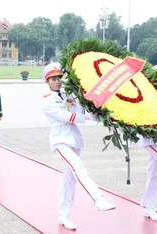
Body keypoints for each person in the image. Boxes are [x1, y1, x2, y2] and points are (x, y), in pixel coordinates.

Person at [41, 63, 116, 230]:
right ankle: (98, 198)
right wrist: (87, 117)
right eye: (53, 79)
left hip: (74, 138)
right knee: (78, 167)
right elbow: (65, 116)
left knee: (70, 179)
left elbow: (81, 112)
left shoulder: (69, 95)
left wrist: (95, 110)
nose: (58, 81)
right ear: (47, 81)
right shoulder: (46, 99)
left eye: (59, 78)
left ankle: (63, 215)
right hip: (60, 139)